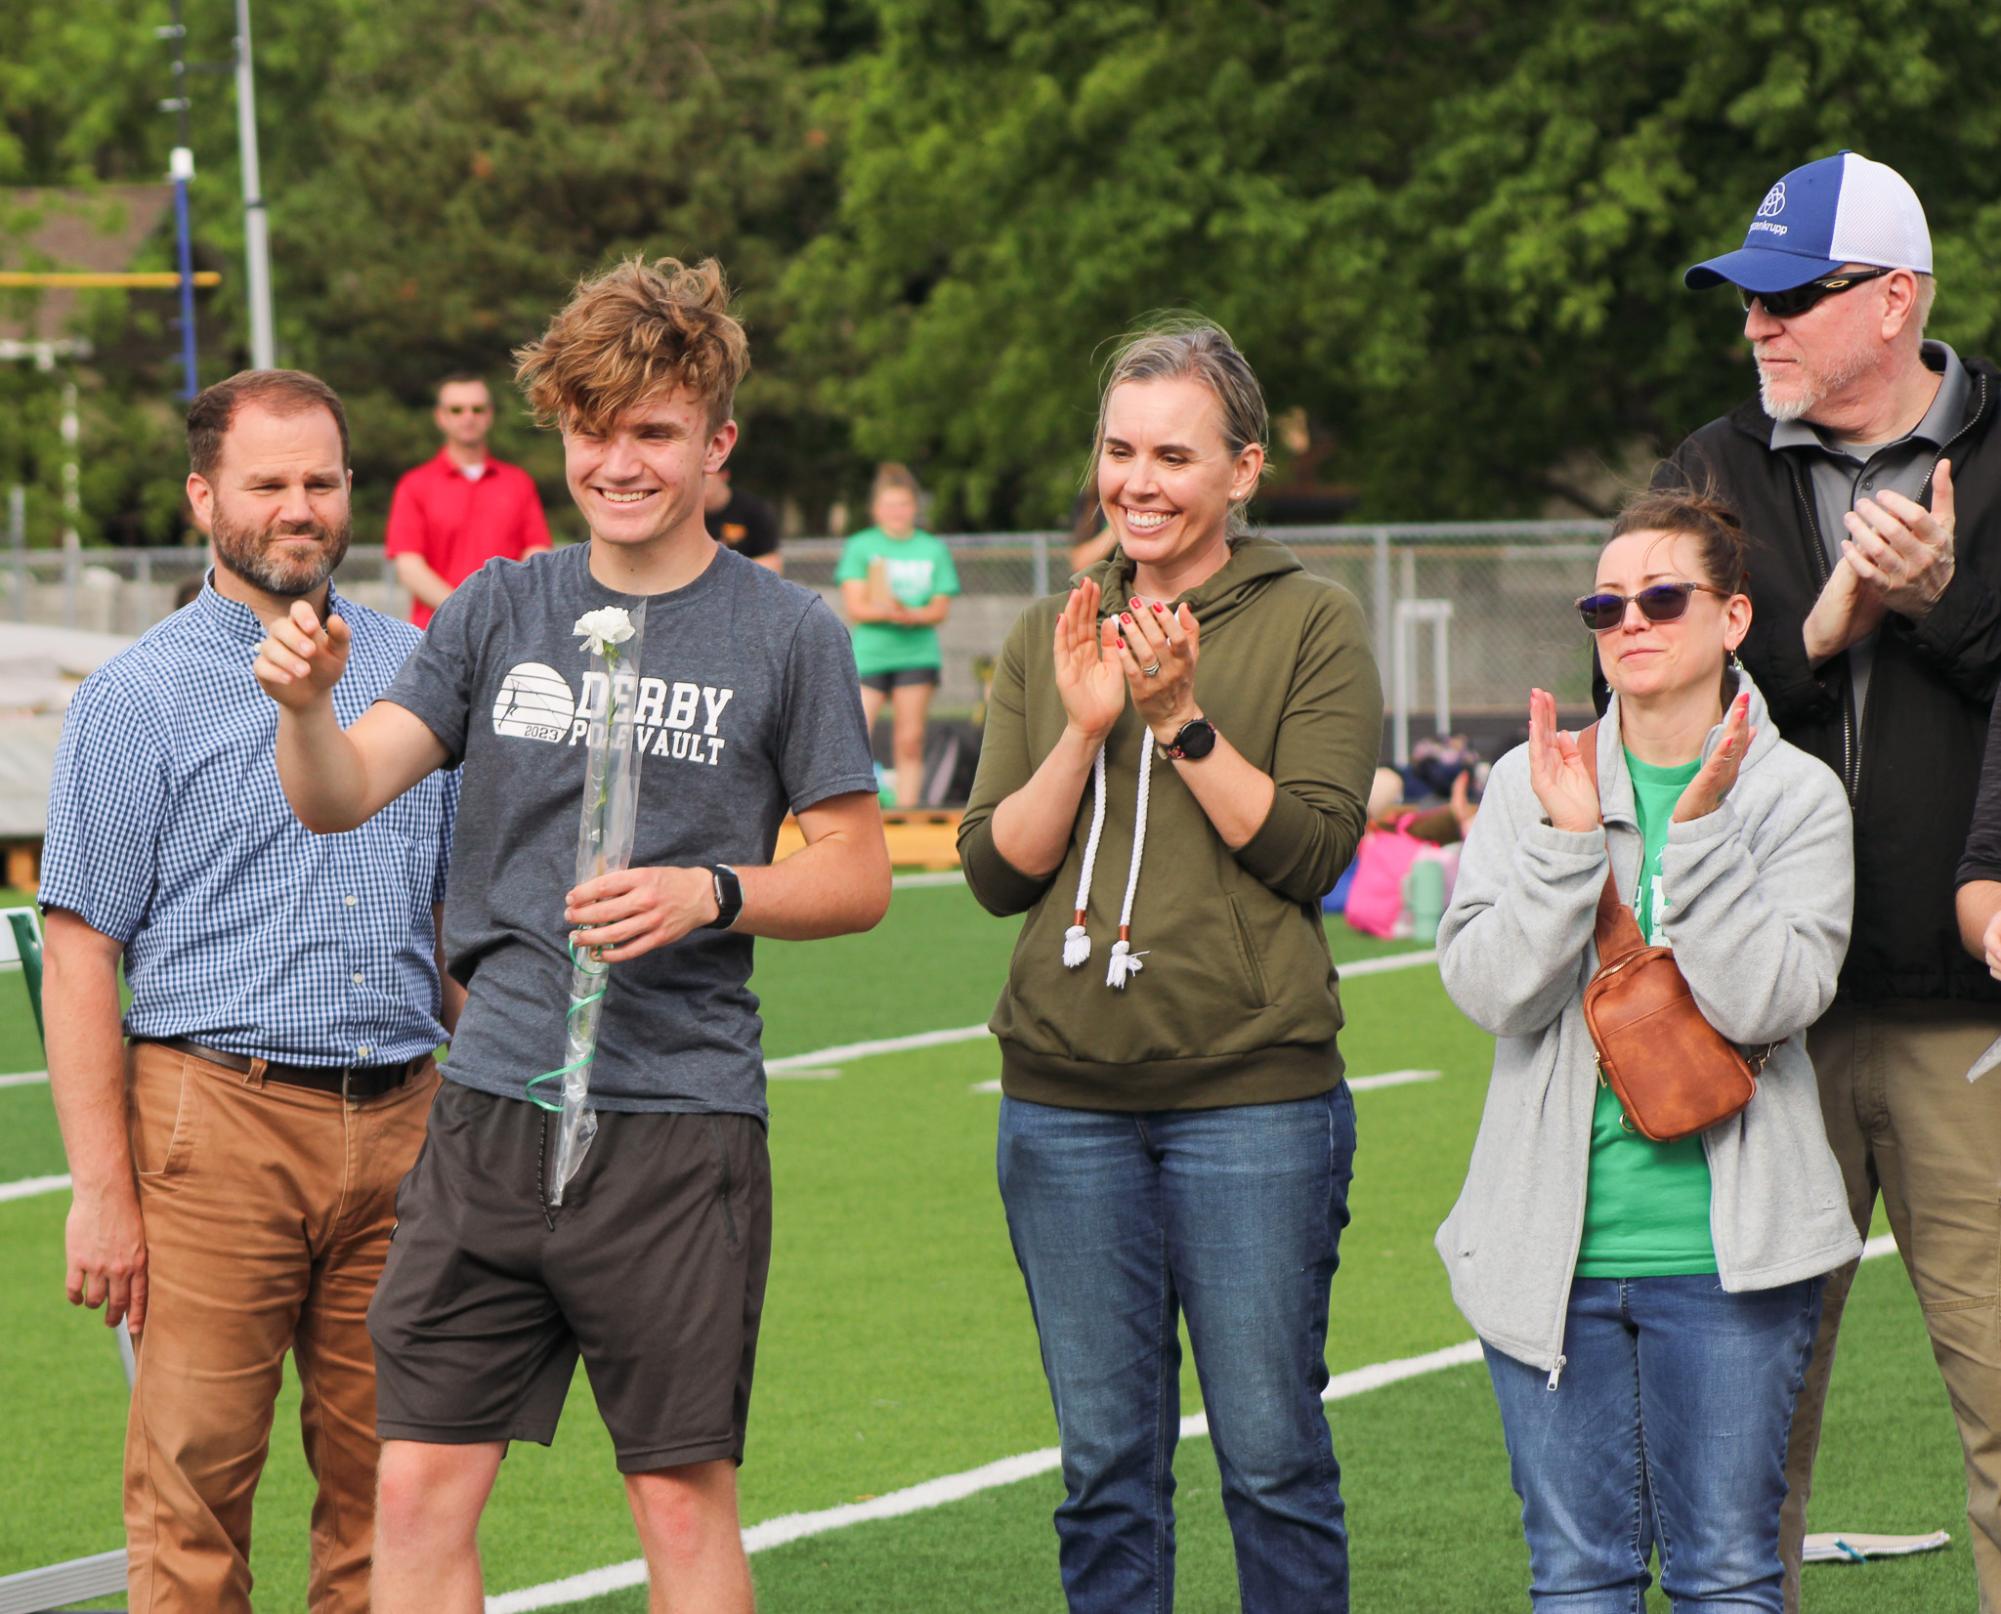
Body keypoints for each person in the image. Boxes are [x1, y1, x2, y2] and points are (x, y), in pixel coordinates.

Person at [250, 256, 890, 1614]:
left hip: (678, 1123)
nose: (619, 461)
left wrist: (709, 890)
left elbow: (855, 874)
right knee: (415, 1487)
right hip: (489, 1112)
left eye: (654, 430)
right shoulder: (497, 607)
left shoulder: (788, 634)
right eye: (594, 429)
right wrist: (305, 710)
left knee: (674, 1491)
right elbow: (340, 793)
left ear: (717, 441)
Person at [958, 321, 1382, 1613]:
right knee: (1103, 1471)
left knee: (1267, 1457)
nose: (1137, 481)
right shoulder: (1054, 625)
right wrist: (1085, 728)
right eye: (1119, 450)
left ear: (1243, 470)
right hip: (1063, 1103)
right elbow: (995, 868)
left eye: (1174, 456)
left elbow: (1312, 852)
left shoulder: (1313, 617)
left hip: (1251, 1099)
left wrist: (1179, 722)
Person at [39, 368, 459, 1613]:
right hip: (212, 1126)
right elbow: (78, 951)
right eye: (267, 482)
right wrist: (101, 1196)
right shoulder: (136, 696)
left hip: (404, 1126)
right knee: (194, 1504)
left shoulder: (420, 670)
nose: (298, 506)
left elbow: (452, 922)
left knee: (393, 1498)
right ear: (203, 495)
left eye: (320, 481)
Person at [1660, 150, 2001, 1610]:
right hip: (1762, 1028)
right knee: (1741, 1438)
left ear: (1895, 300)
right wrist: (1820, 628)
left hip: (1965, 1021)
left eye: (1793, 296)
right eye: (1748, 299)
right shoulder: (1711, 471)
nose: (1760, 327)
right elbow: (1650, 699)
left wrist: (1938, 610)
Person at [1441, 488, 1859, 1612]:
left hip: (1729, 1264)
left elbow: (1773, 1001)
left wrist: (1709, 833)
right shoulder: (1535, 782)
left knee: (1727, 1575)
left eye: (1663, 597)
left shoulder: (1795, 796)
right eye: (1606, 601)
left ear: (1732, 619)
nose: (1630, 619)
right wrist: (1570, 853)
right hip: (1550, 1258)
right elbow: (1493, 991)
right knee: (1579, 1578)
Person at [835, 462, 960, 807]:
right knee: (854, 736)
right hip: (870, 656)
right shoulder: (861, 546)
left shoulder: (932, 549)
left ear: (914, 508)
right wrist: (892, 611)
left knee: (910, 738)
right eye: (889, 505)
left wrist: (913, 615)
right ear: (876, 510)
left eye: (903, 505)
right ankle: (852, 810)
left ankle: (906, 812)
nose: (896, 512)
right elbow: (857, 606)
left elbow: (939, 609)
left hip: (916, 656)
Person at [384, 373, 552, 626]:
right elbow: (409, 566)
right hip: (435, 633)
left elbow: (537, 553)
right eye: (456, 409)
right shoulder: (414, 485)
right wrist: (465, 611)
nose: (468, 417)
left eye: (477, 409)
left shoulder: (518, 483)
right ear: (440, 417)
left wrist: (503, 607)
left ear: (489, 415)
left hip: (506, 629)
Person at [702, 462, 783, 573]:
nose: (699, 486)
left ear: (724, 475)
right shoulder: (684, 512)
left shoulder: (753, 510)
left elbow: (771, 562)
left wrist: (728, 573)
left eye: (705, 479)